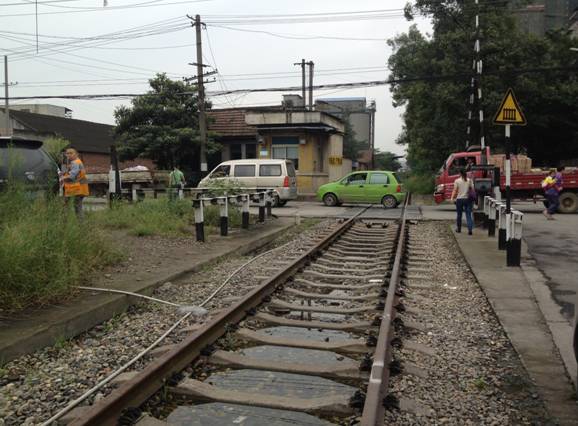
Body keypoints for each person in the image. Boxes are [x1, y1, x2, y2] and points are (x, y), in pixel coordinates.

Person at [60, 148, 89, 218]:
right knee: (76, 208)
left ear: (76, 154)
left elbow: (72, 176)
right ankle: (80, 225)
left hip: (77, 189)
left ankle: (65, 224)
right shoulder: (74, 162)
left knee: (73, 207)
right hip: (77, 189)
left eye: (71, 153)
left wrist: (61, 178)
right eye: (67, 153)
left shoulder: (75, 162)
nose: (69, 155)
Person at [450, 169, 474, 235]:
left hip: (459, 199)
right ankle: (470, 230)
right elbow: (472, 189)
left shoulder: (457, 181)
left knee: (459, 215)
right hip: (468, 199)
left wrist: (452, 198)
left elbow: (455, 190)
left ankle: (459, 229)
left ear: (460, 173)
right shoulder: (469, 180)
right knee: (468, 215)